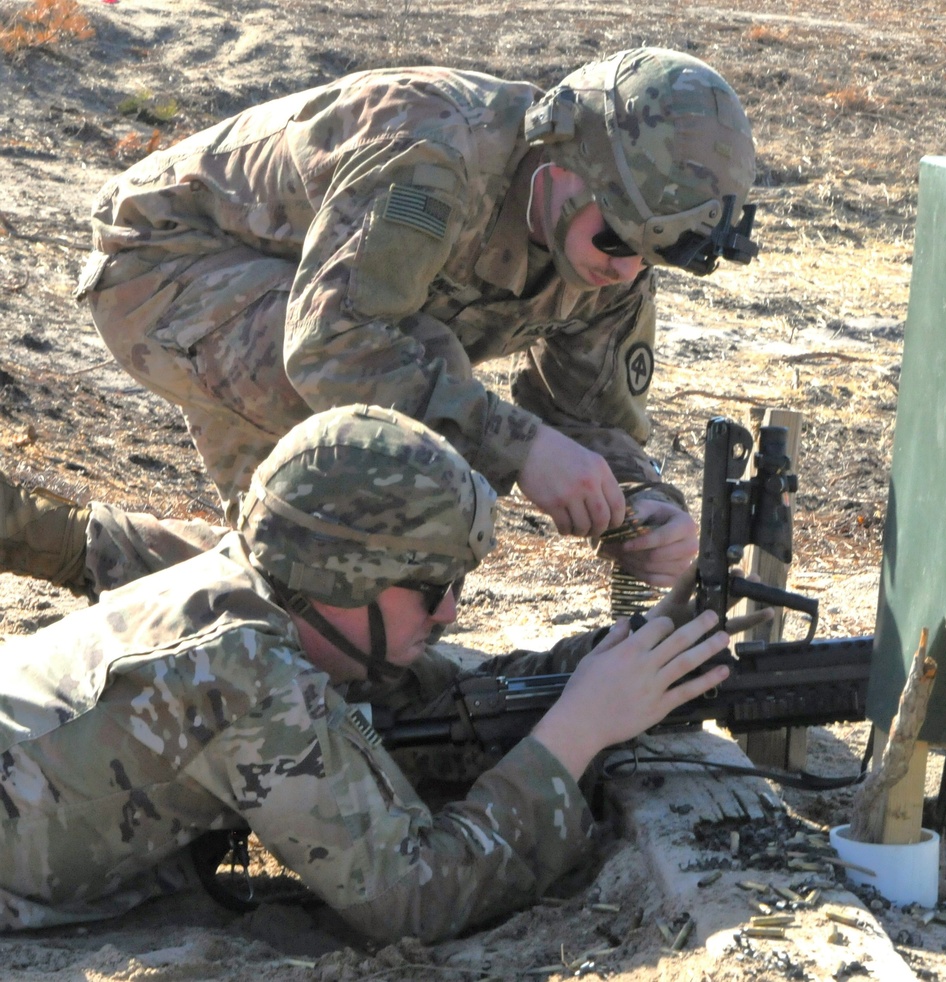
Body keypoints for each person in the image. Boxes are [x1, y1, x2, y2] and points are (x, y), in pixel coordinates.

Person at [0, 404, 734, 942]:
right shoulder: (249, 676)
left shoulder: (255, 575)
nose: (449, 613)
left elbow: (438, 702)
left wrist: (623, 656)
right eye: (432, 587)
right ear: (342, 579)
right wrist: (574, 735)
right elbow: (416, 900)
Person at [75, 47, 758, 588]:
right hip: (163, 268)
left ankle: (75, 548)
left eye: (652, 259)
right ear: (558, 174)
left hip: (312, 309)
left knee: (286, 577)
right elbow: (334, 347)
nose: (627, 272)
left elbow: (590, 419)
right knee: (395, 499)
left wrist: (641, 507)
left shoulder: (616, 241)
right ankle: (81, 549)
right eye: (616, 241)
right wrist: (518, 446)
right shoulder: (433, 154)